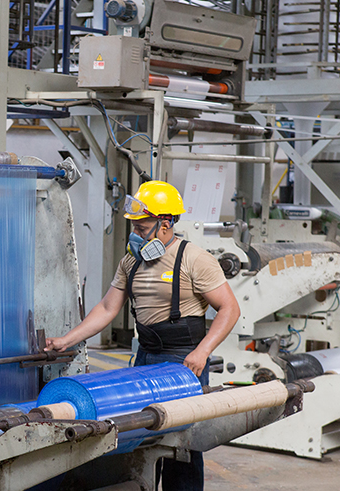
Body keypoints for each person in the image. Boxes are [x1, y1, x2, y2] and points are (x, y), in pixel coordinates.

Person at [45, 180, 240, 491]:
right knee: (143, 435)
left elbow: (230, 309)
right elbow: (107, 308)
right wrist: (66, 340)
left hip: (184, 359)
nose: (135, 233)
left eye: (142, 227)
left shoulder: (194, 259)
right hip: (146, 355)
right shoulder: (131, 261)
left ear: (165, 224)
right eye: (134, 226)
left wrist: (202, 352)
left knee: (182, 444)